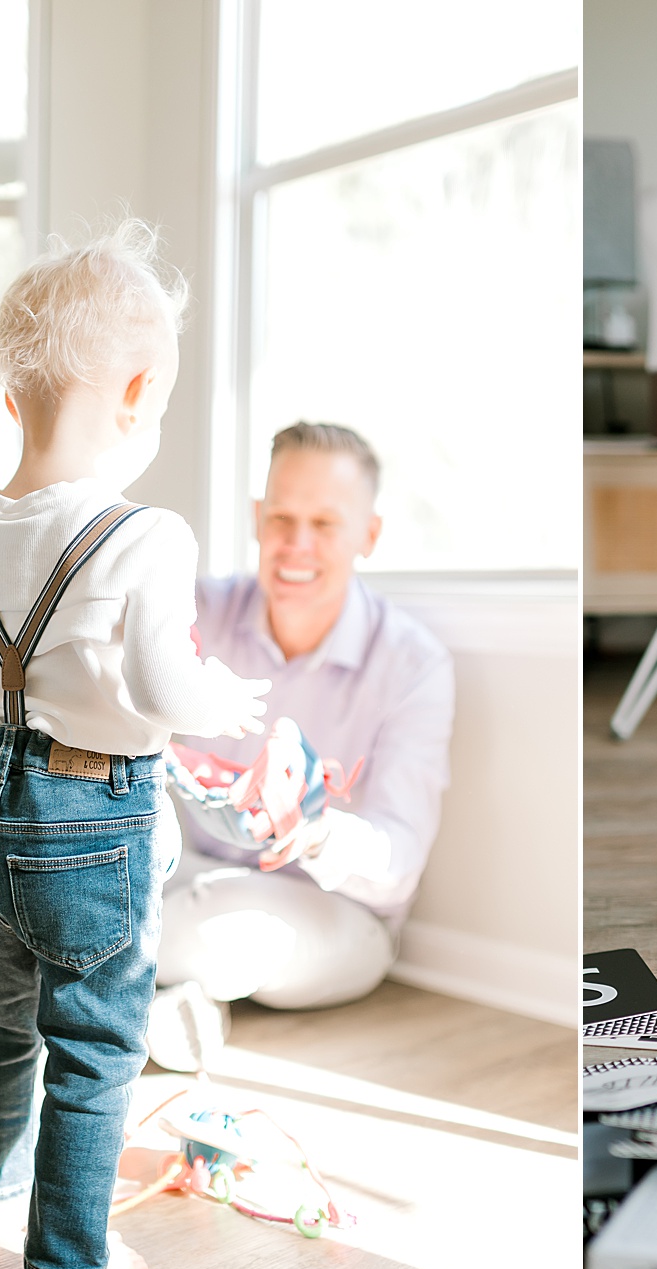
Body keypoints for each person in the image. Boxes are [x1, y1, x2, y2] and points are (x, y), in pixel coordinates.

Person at [0, 220, 269, 1269]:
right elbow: (164, 686)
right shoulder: (146, 532)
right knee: (93, 1033)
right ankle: (71, 1261)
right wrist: (227, 699)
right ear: (134, 392)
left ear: (12, 401)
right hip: (89, 815)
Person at [149, 421, 454, 1028]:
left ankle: (72, 975)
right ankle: (170, 1010)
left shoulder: (415, 666)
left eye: (325, 524)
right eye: (282, 519)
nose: (297, 545)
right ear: (258, 518)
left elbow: (399, 863)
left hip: (333, 911)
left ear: (369, 535)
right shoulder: (196, 610)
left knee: (227, 923)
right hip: (190, 871)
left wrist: (312, 831)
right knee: (91, 861)